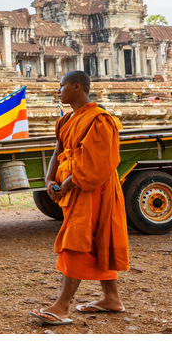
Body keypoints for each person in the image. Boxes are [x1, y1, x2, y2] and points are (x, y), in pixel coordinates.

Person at [30, 71, 129, 326]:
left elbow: (96, 162)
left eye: (61, 86)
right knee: (96, 240)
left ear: (77, 87)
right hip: (73, 187)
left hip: (94, 189)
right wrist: (49, 181)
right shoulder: (66, 120)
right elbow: (58, 151)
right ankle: (112, 298)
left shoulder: (99, 120)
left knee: (77, 240)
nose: (58, 90)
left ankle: (62, 306)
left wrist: (65, 184)